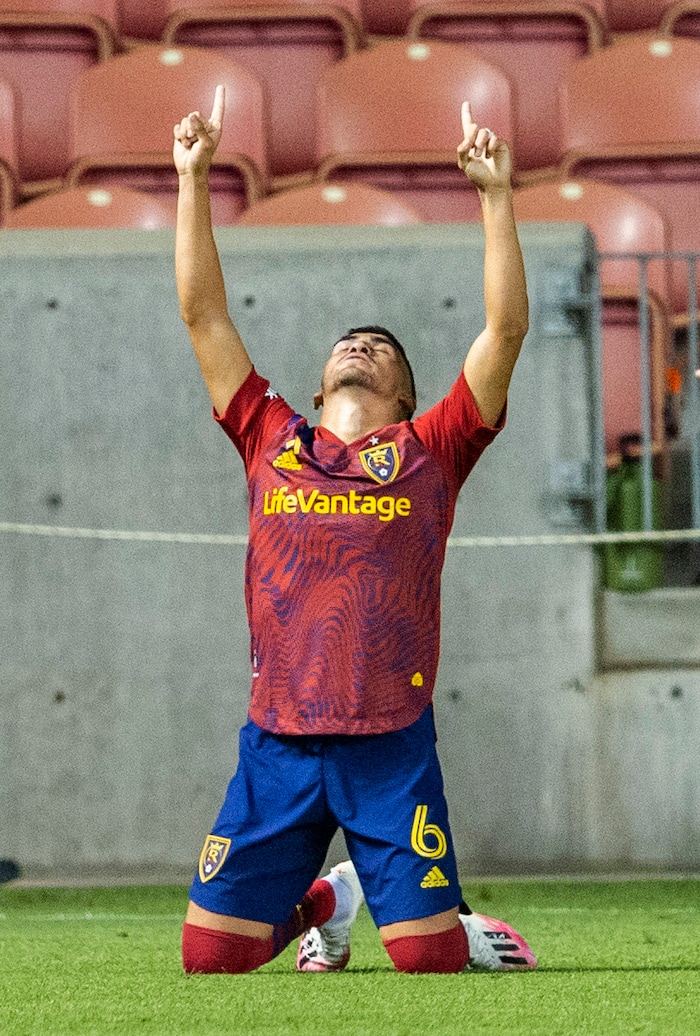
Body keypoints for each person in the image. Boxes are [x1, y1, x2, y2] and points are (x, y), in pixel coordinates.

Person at [174, 86, 536, 975]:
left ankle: (399, 910)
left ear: (407, 396)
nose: (360, 346)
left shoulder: (432, 448)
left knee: (428, 962)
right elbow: (204, 317)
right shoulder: (269, 435)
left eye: (382, 347)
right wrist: (193, 179)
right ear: (322, 374)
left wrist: (496, 198)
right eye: (349, 342)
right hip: (279, 738)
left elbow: (506, 328)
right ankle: (327, 899)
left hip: (390, 740)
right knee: (211, 957)